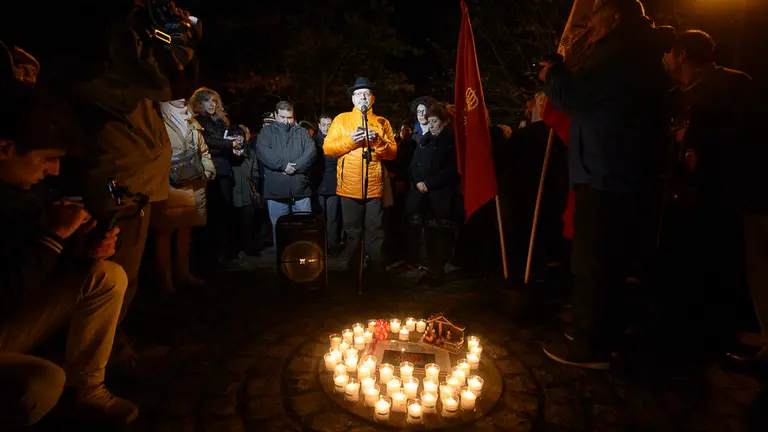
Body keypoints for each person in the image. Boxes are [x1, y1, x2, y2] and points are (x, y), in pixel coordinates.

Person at [539, 0, 670, 369]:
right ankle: (599, 332)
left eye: (593, 19)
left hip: (608, 172)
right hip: (618, 171)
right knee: (607, 259)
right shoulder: (635, 53)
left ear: (613, 19)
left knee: (594, 260)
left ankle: (590, 344)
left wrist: (554, 74)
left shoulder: (620, 57)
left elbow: (574, 97)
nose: (587, 26)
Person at [0, 86, 138, 426]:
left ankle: (89, 389)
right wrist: (52, 237)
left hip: (12, 321)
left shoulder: (23, 195)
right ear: (5, 149)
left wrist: (84, 249)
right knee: (41, 384)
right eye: (47, 158)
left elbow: (34, 269)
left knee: (106, 275)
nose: (54, 171)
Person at [664, 30, 762, 361]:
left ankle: (720, 335)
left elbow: (750, 138)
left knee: (723, 263)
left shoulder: (735, 85)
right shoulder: (676, 95)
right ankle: (687, 332)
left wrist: (699, 145)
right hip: (683, 193)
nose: (665, 61)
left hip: (726, 194)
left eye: (669, 55)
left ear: (680, 55)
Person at [323, 77, 397, 276]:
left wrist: (379, 142)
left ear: (372, 98)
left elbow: (392, 153)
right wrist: (350, 141)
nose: (362, 97)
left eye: (366, 93)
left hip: (374, 185)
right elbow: (328, 148)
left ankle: (376, 270)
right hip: (349, 185)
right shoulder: (342, 119)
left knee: (375, 230)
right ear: (352, 99)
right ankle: (353, 269)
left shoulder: (382, 122)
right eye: (358, 94)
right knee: (352, 231)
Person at [151, 98, 215, 293]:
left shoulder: (191, 121)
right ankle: (165, 280)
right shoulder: (158, 121)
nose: (181, 99)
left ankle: (183, 273)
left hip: (192, 185)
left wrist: (207, 170)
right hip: (169, 186)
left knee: (185, 233)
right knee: (164, 234)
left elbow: (203, 151)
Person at [404, 102, 461, 285]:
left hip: (441, 195)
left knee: (440, 234)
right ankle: (431, 268)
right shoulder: (425, 140)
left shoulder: (450, 141)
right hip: (423, 196)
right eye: (428, 121)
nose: (431, 126)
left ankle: (438, 271)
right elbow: (414, 164)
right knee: (428, 233)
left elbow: (451, 169)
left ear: (444, 122)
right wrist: (418, 182)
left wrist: (429, 183)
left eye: (434, 121)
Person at [189, 87, 240, 265]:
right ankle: (209, 253)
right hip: (209, 171)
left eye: (214, 101)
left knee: (224, 212)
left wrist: (234, 148)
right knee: (211, 214)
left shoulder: (220, 121)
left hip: (224, 170)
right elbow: (207, 143)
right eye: (207, 101)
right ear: (199, 103)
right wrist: (228, 144)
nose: (212, 104)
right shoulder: (197, 121)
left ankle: (223, 251)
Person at [257, 101, 316, 239]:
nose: (286, 121)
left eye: (289, 118)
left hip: (300, 189)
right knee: (280, 231)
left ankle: (302, 257)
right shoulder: (266, 132)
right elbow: (263, 152)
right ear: (276, 115)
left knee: (304, 230)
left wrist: (295, 167)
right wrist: (283, 166)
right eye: (282, 117)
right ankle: (282, 259)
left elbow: (311, 152)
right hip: (276, 191)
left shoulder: (302, 133)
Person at [313, 114, 342, 254]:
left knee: (332, 218)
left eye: (329, 125)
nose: (326, 128)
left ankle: (332, 245)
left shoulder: (337, 141)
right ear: (319, 125)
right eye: (323, 125)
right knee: (319, 217)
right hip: (318, 184)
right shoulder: (313, 141)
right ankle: (319, 246)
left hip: (333, 183)